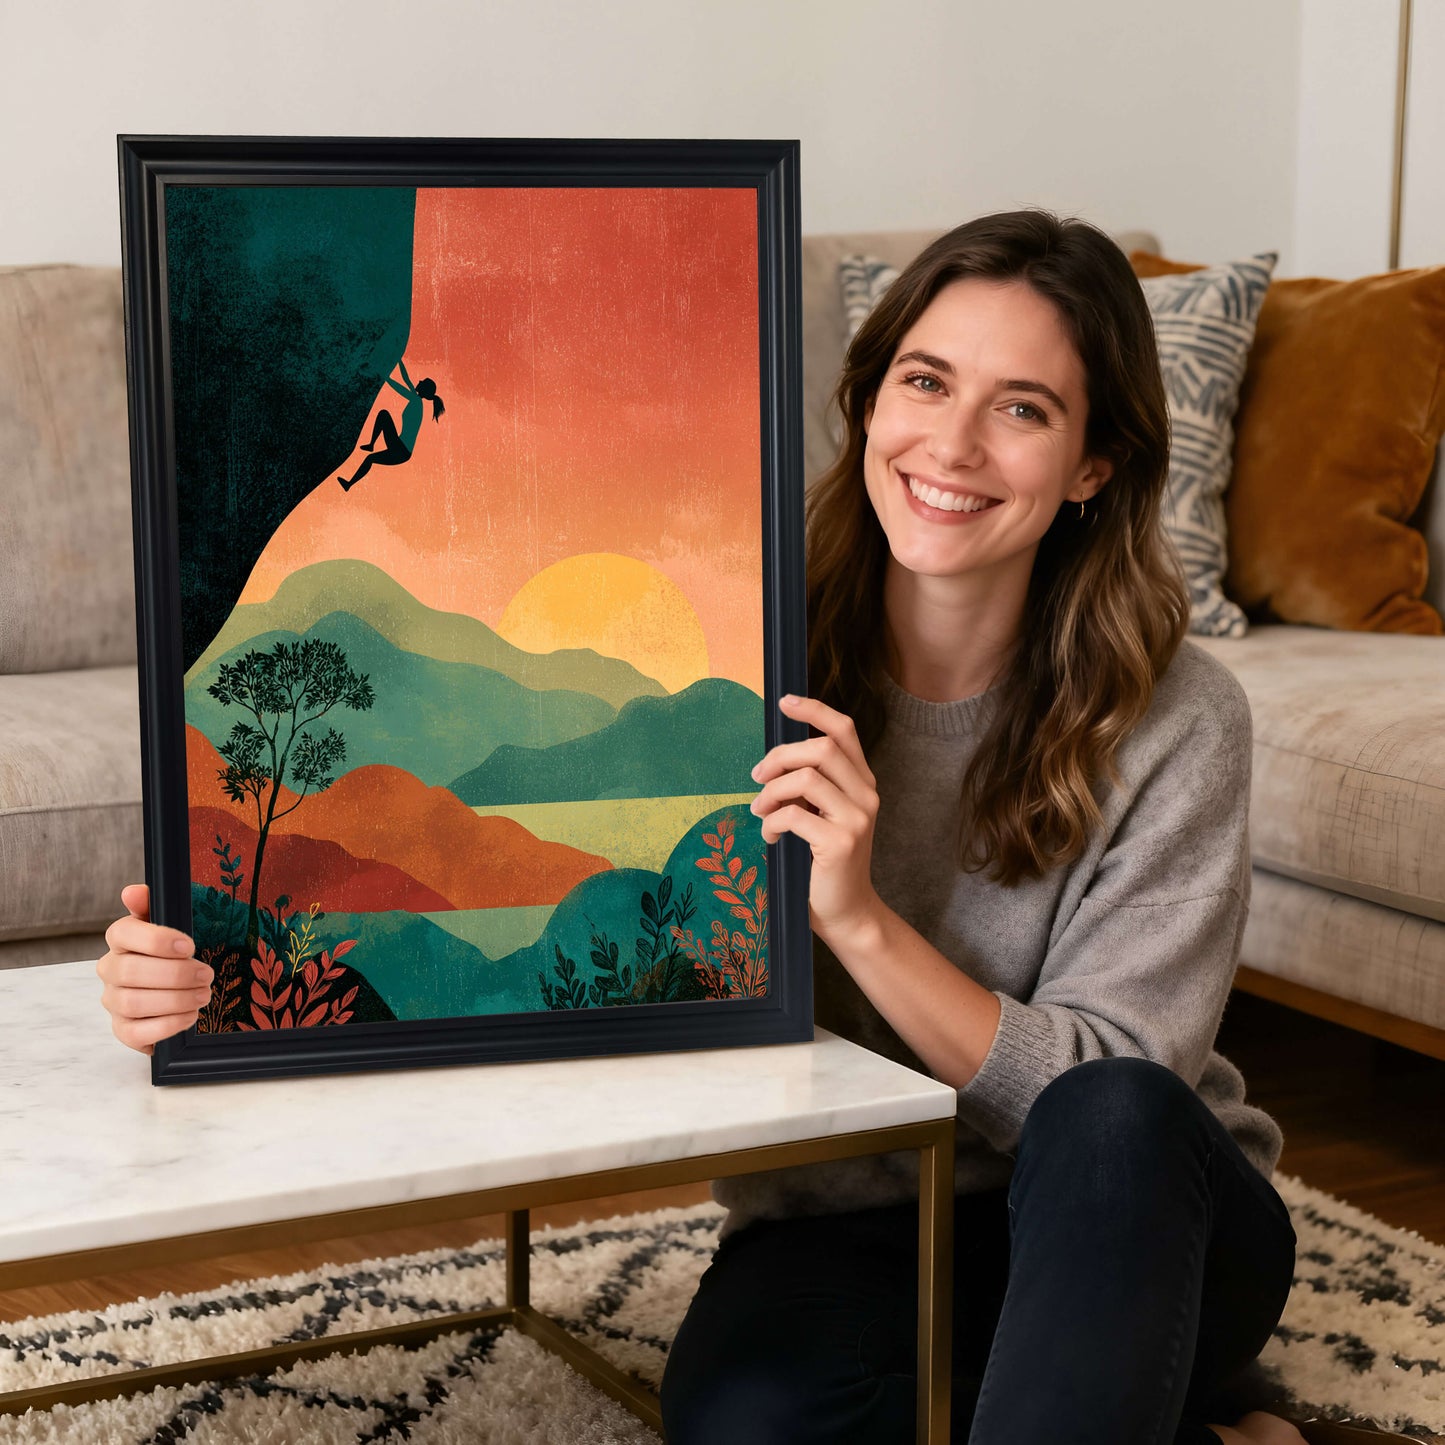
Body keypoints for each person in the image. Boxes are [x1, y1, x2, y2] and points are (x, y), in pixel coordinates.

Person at [98, 210, 1342, 1443]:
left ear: (1091, 466)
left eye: (1021, 408)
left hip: (1141, 1217)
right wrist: (206, 977)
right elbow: (541, 946)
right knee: (741, 1424)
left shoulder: (1179, 718)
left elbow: (1097, 1090)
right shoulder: (748, 646)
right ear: (867, 401)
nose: (951, 443)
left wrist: (857, 920)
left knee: (1111, 1109)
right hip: (852, 1216)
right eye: (925, 380)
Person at [338, 358, 444, 490]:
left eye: (422, 382)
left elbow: (399, 388)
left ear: (423, 389)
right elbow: (406, 379)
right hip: (402, 451)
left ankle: (371, 445)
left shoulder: (416, 401)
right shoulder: (416, 398)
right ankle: (348, 484)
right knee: (370, 458)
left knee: (383, 415)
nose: (419, 381)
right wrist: (398, 360)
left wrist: (385, 377)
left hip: (400, 449)